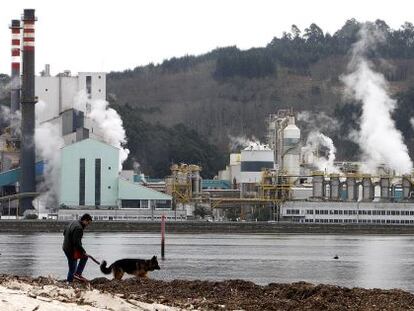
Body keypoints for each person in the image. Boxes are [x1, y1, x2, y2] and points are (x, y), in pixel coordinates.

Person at [62, 213, 92, 282]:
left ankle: (76, 275)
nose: (87, 225)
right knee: (72, 268)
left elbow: (64, 233)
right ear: (85, 220)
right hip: (71, 250)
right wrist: (83, 252)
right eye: (88, 223)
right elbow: (77, 243)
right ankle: (70, 282)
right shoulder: (79, 228)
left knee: (84, 257)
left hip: (66, 247)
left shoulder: (73, 222)